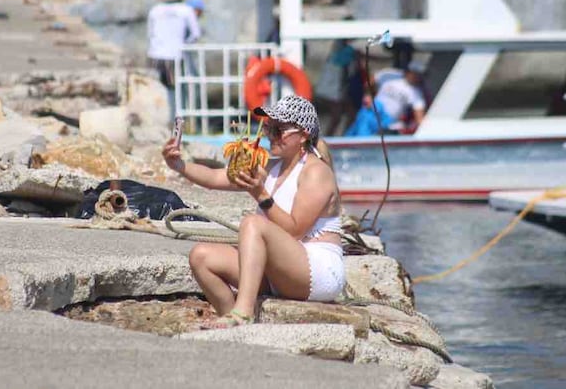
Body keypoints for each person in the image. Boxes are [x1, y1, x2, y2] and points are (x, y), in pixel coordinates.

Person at [161, 95, 344, 328]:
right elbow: (215, 177)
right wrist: (179, 165)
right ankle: (232, 322)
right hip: (280, 269)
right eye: (269, 127)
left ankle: (243, 311)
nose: (270, 135)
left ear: (304, 134)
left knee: (253, 223)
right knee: (201, 256)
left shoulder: (316, 172)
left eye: (279, 129)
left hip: (318, 271)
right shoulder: (270, 167)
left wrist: (261, 195)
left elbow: (295, 230)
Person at [147, 0, 201, 121]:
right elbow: (195, 34)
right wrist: (184, 44)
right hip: (175, 55)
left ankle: (158, 122)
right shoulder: (186, 10)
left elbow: (150, 34)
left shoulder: (155, 10)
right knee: (177, 90)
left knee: (157, 90)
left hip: (155, 55)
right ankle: (177, 122)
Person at [345, 60, 427, 136]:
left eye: (420, 75)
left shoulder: (417, 93)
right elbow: (369, 83)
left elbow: (419, 116)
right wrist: (369, 96)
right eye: (415, 74)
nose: (417, 78)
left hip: (387, 121)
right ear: (408, 72)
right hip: (371, 111)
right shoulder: (390, 74)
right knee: (357, 131)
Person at [314, 39, 360, 136]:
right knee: (339, 114)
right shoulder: (347, 52)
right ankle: (332, 137)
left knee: (350, 113)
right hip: (330, 89)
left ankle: (343, 136)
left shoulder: (340, 51)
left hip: (333, 88)